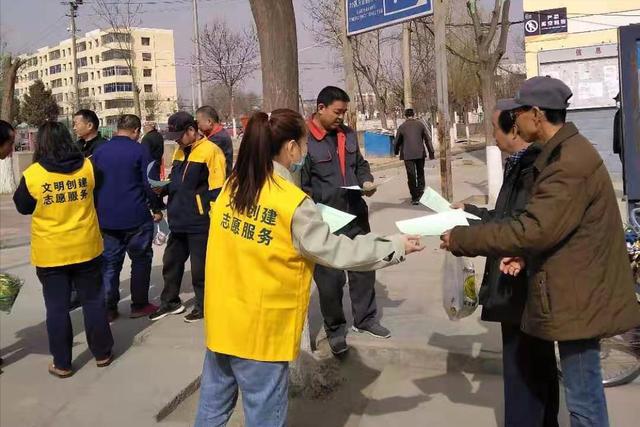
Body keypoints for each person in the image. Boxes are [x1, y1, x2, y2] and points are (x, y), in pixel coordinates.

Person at [195, 109, 424, 427]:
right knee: (264, 417)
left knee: (211, 411)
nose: (303, 153)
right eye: (301, 145)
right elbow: (338, 251)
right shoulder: (290, 202)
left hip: (222, 323)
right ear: (290, 147)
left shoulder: (235, 186)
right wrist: (395, 246)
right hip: (261, 333)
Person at [441, 76, 640, 427]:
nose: (512, 122)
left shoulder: (567, 162)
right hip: (571, 286)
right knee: (580, 393)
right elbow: (554, 226)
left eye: (517, 113)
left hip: (579, 294)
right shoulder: (559, 154)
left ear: (535, 114)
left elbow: (531, 228)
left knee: (583, 399)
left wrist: (461, 239)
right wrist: (525, 253)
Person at [451, 101, 558, 427]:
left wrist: (463, 238)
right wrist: (471, 212)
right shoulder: (521, 163)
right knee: (535, 367)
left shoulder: (531, 168)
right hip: (521, 285)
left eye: (495, 128)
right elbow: (505, 217)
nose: (492, 136)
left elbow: (517, 229)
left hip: (520, 285)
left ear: (515, 129)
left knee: (523, 371)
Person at [12, 121, 114, 378]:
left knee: (57, 307)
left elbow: (23, 206)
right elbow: (97, 189)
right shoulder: (87, 166)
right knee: (93, 301)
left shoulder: (34, 174)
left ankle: (62, 363)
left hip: (52, 253)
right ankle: (102, 353)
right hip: (87, 248)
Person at [301, 86, 387, 355]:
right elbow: (301, 186)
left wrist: (366, 180)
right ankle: (336, 330)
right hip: (326, 221)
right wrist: (317, 204)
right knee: (330, 280)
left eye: (344, 112)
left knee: (363, 267)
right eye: (337, 112)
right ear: (321, 108)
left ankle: (365, 319)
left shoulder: (348, 136)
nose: (341, 117)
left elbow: (359, 164)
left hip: (355, 214)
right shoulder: (304, 142)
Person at [149, 111, 226, 323]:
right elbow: (177, 181)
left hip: (200, 220)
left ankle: (203, 305)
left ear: (192, 130)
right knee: (171, 263)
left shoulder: (212, 152)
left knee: (200, 268)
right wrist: (163, 190)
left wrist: (215, 218)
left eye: (179, 136)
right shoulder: (179, 151)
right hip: (177, 218)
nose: (176, 141)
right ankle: (170, 302)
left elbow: (217, 190)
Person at [92, 114, 162, 322]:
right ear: (136, 131)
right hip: (136, 216)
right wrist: (157, 208)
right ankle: (139, 304)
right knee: (140, 259)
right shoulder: (140, 150)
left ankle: (109, 308)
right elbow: (150, 183)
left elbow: (92, 184)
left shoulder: (99, 151)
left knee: (110, 263)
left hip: (106, 218)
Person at [394, 108, 435, 205]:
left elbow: (396, 142)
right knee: (420, 173)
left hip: (407, 155)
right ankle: (421, 193)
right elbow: (427, 139)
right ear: (414, 114)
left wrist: (395, 152)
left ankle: (415, 197)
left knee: (411, 175)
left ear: (405, 116)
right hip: (420, 153)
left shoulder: (402, 127)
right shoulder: (420, 125)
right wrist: (431, 152)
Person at [196, 105, 233, 178]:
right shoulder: (218, 135)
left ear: (209, 121)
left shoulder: (218, 139)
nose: (198, 126)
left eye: (198, 123)